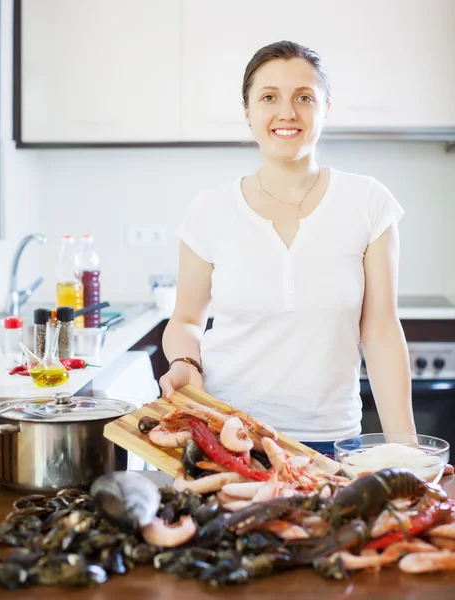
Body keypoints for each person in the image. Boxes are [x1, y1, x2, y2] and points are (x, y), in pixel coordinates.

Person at [159, 40, 420, 459]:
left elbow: (382, 331)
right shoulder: (209, 210)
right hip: (226, 434)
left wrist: (407, 451)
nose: (287, 113)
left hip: (333, 444)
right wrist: (186, 363)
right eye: (268, 98)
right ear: (247, 111)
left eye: (304, 98)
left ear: (326, 109)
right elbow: (187, 319)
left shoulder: (369, 203)